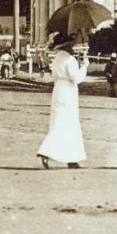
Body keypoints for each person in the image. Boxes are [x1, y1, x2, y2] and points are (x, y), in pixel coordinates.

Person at [37, 32, 88, 169]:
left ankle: (71, 159)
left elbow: (54, 76)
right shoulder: (69, 59)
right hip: (68, 92)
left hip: (58, 90)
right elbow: (76, 78)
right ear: (67, 45)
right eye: (71, 44)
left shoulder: (58, 58)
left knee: (58, 122)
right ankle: (48, 152)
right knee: (68, 124)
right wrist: (84, 66)